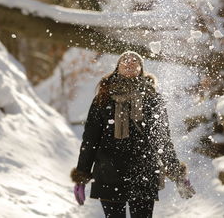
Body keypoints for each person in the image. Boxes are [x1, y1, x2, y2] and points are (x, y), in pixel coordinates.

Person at [70, 51, 195, 218]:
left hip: (143, 174)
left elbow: (163, 140)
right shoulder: (104, 98)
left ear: (141, 69)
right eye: (125, 61)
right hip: (109, 173)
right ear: (118, 68)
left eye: (135, 61)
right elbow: (90, 140)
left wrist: (177, 174)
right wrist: (81, 175)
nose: (130, 63)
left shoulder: (153, 99)